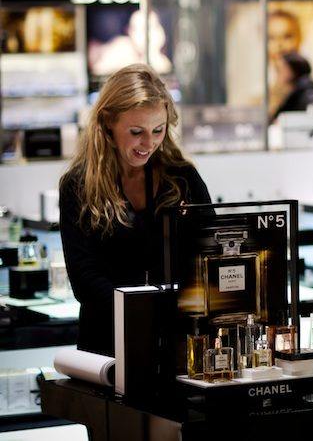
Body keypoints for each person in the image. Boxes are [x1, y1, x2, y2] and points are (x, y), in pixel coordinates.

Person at [59, 64, 211, 356]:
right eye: (136, 132)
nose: (149, 143)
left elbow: (210, 251)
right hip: (106, 342)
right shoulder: (78, 186)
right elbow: (84, 278)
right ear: (107, 124)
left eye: (158, 130)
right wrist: (143, 314)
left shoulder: (182, 178)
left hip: (178, 340)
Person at [270, 52, 313, 122]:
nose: (278, 73)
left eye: (281, 69)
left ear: (293, 70)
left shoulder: (307, 96)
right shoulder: (295, 93)